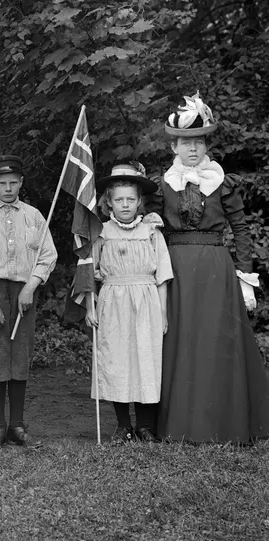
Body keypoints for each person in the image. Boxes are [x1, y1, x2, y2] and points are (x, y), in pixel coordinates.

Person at [147, 94, 269, 444]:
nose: (193, 150)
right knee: (181, 340)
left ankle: (222, 424)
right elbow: (149, 225)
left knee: (214, 342)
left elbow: (242, 229)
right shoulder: (163, 185)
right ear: (175, 146)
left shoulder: (221, 182)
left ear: (206, 145)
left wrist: (245, 278)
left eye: (199, 142)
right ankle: (177, 425)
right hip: (176, 270)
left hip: (216, 268)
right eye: (186, 143)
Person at [0, 155, 58, 448]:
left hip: (23, 291)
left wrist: (31, 286)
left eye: (13, 183)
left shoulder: (33, 216)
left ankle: (17, 424)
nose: (7, 188)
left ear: (21, 183)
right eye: (1, 183)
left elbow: (47, 255)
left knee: (19, 355)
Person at [90, 163, 172, 443]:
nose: (125, 205)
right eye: (119, 200)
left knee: (146, 360)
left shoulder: (152, 232)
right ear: (109, 203)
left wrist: (162, 312)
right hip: (113, 300)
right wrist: (90, 305)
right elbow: (88, 273)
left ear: (140, 203)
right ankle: (123, 425)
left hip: (146, 299)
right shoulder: (101, 233)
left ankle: (145, 426)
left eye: (131, 200)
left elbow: (162, 276)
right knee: (118, 361)